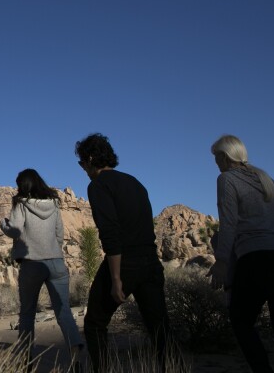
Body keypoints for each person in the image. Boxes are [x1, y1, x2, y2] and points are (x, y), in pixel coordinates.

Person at [209, 135, 274, 372]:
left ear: (225, 157)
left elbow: (228, 224)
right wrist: (269, 221)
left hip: (257, 258)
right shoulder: (268, 179)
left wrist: (222, 260)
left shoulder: (226, 179)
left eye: (217, 157)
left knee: (241, 322)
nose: (215, 162)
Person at [75, 133, 173, 373]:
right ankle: (174, 367)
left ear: (89, 159)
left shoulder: (98, 184)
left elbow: (110, 233)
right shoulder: (134, 182)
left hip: (124, 261)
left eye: (81, 163)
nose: (82, 168)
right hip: (150, 260)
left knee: (95, 324)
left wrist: (117, 279)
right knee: (159, 327)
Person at [0, 168, 84, 370]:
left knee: (27, 314)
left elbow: (15, 230)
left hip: (31, 263)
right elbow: (59, 234)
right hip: (56, 262)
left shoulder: (21, 204)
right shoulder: (54, 204)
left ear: (23, 185)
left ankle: (26, 361)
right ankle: (75, 360)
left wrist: (3, 223)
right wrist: (53, 250)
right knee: (64, 311)